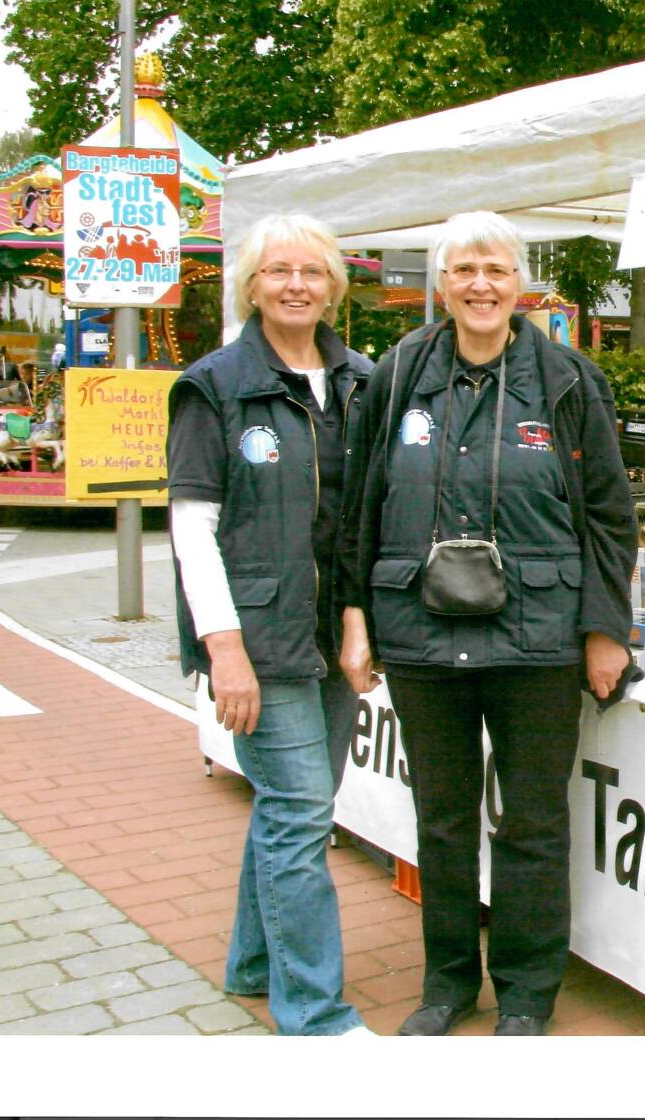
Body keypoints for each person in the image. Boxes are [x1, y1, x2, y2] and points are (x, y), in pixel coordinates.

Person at [339, 211, 637, 1037]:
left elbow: (612, 516)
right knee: (440, 817)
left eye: (497, 270)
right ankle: (445, 984)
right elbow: (358, 508)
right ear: (442, 283)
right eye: (465, 269)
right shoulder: (397, 376)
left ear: (520, 285)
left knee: (534, 822)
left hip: (539, 637)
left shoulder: (569, 381)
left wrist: (606, 628)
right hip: (421, 634)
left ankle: (527, 992)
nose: (481, 285)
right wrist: (355, 616)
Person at [167, 213, 374, 1036]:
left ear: (334, 287)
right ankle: (314, 1013)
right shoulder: (214, 385)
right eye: (278, 271)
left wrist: (362, 622)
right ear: (251, 285)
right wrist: (224, 650)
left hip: (331, 638)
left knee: (297, 806)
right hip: (256, 637)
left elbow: (364, 515)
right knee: (300, 815)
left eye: (312, 272)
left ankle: (255, 965)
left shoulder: (359, 380)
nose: (296, 285)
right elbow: (192, 528)